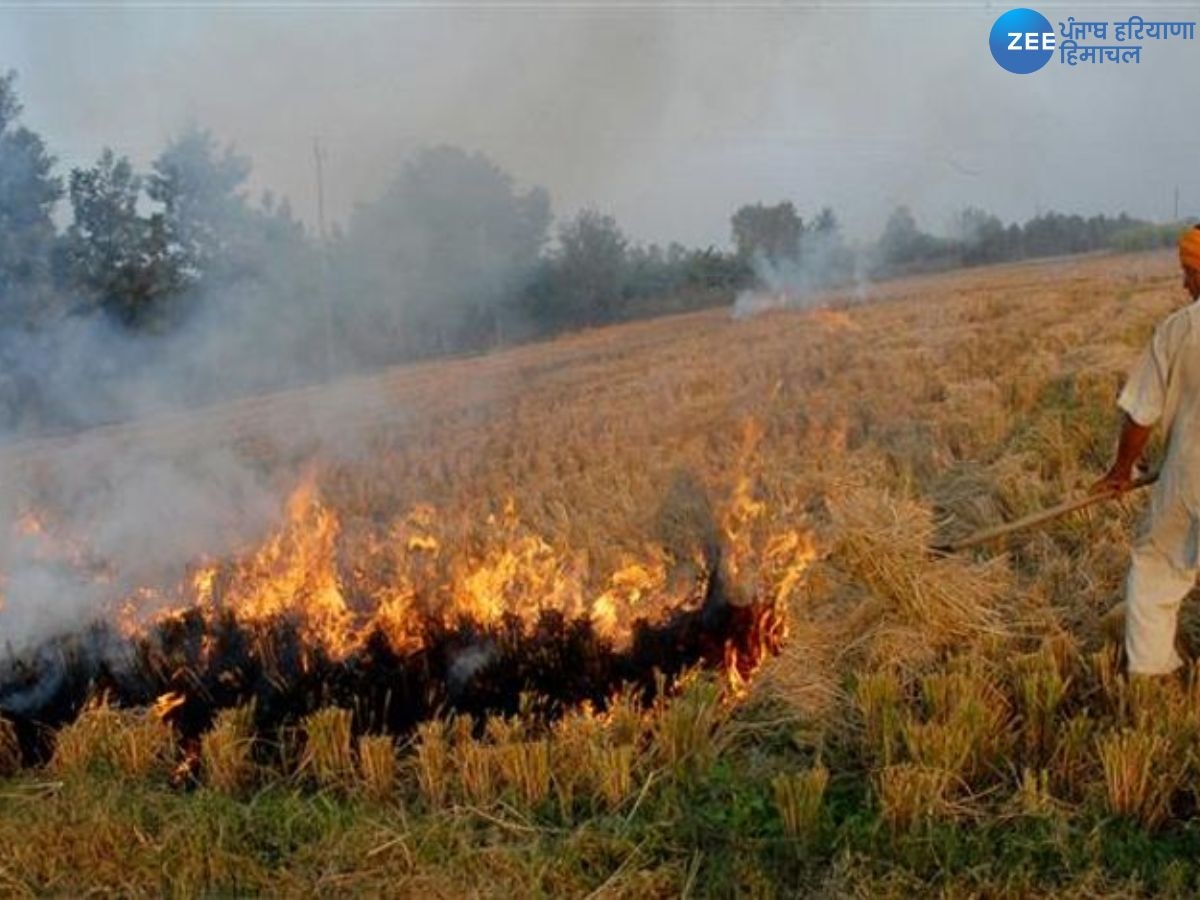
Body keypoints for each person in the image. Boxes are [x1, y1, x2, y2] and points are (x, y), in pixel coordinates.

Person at [1095, 226, 1200, 675]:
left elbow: (1141, 412)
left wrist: (1121, 471)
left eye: (1189, 272)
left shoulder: (1181, 330)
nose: (1184, 284)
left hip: (1190, 476)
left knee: (1157, 568)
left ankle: (1151, 673)